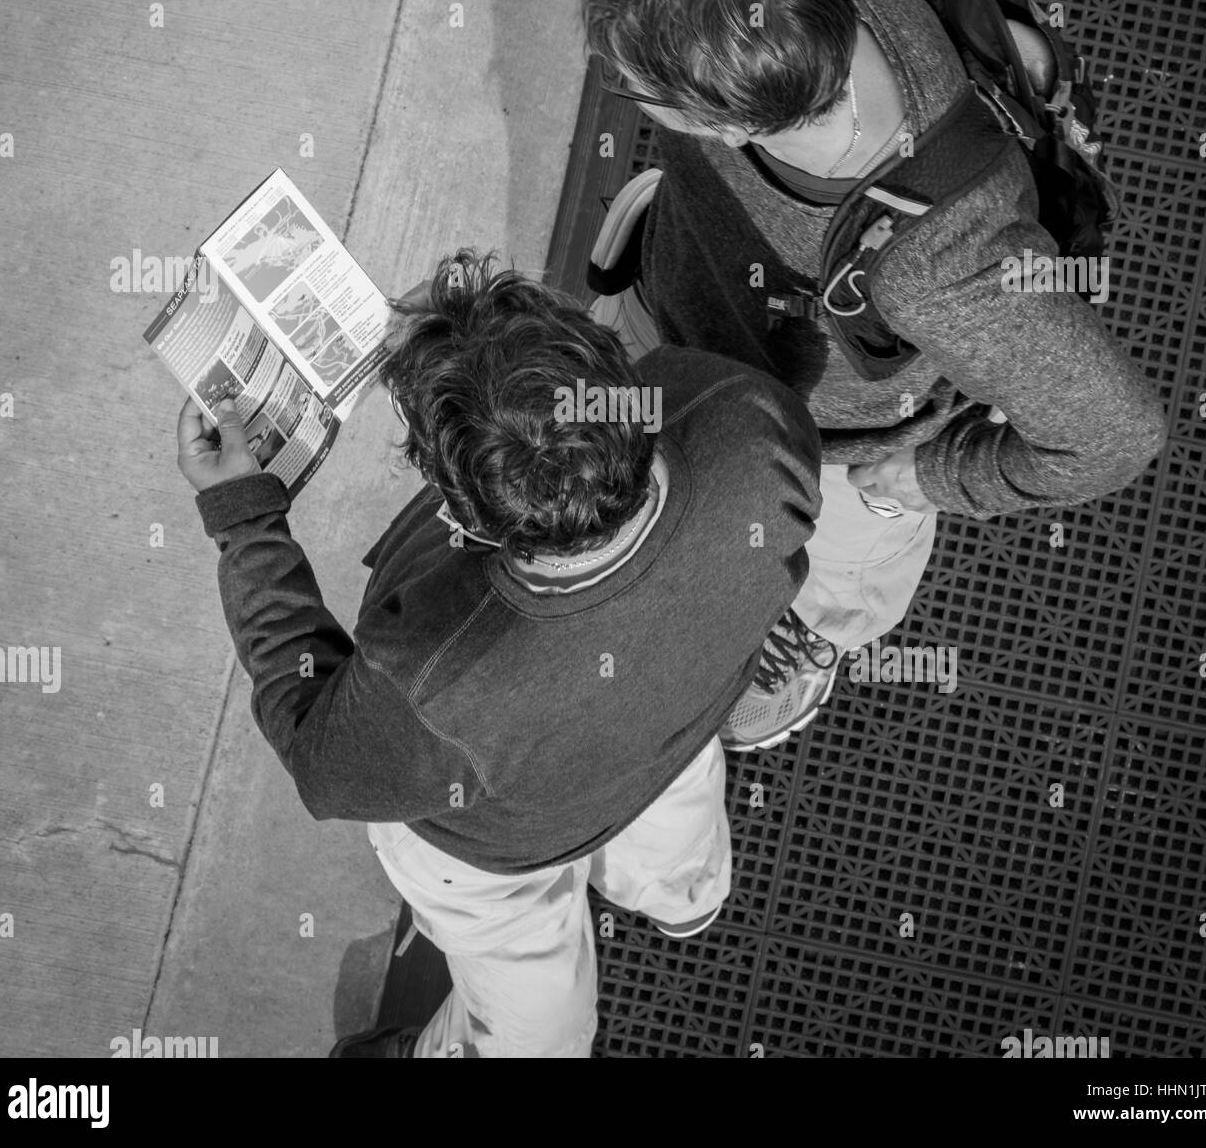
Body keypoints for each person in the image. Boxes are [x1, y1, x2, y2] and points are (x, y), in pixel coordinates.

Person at [568, 0, 1166, 750]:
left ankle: (807, 649)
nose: (625, 97)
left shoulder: (942, 260)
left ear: (727, 126)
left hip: (835, 455)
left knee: (830, 578)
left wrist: (934, 477)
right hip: (679, 306)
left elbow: (1115, 434)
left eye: (638, 94)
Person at [175, 250, 823, 1058]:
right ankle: (682, 898)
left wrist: (245, 518)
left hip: (496, 859)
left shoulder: (433, 671)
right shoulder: (747, 420)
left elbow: (322, 760)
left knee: (536, 1029)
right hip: (670, 743)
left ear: (473, 523)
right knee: (677, 830)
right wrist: (487, 341)